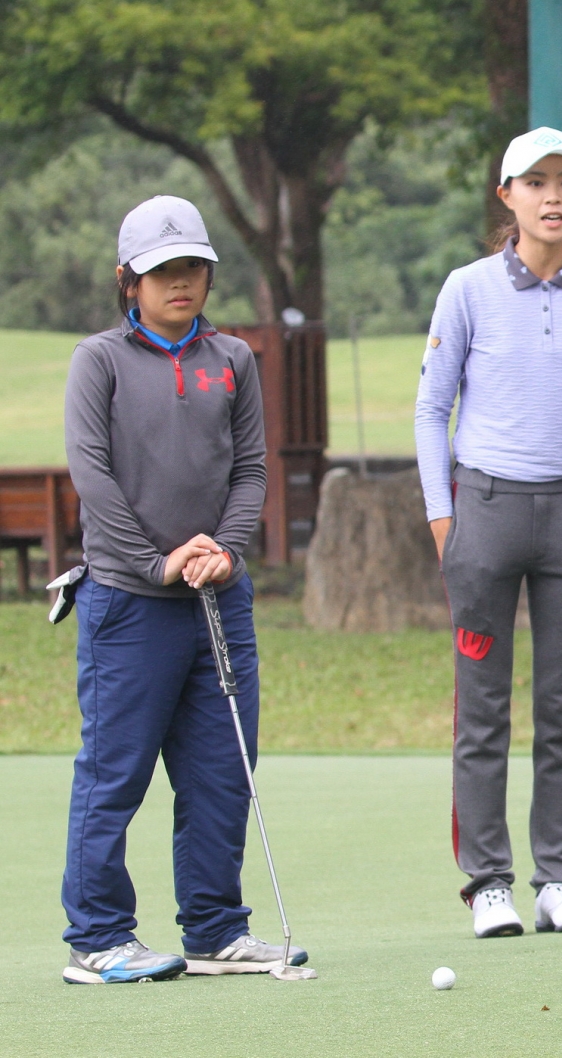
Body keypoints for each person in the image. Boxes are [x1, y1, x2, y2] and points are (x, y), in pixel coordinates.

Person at [59, 195, 306, 983]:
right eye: (164, 270)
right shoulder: (98, 361)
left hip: (218, 601)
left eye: (194, 267)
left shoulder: (231, 359)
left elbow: (249, 469)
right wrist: (158, 561)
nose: (182, 282)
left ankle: (214, 928)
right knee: (116, 773)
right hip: (128, 604)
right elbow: (92, 477)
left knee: (221, 769)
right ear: (129, 279)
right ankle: (96, 939)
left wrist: (227, 551)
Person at [416, 127, 562, 939]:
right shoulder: (468, 288)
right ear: (506, 195)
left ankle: (559, 882)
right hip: (486, 511)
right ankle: (489, 883)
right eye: (534, 182)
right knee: (482, 710)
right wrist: (444, 518)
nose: (552, 196)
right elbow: (432, 407)